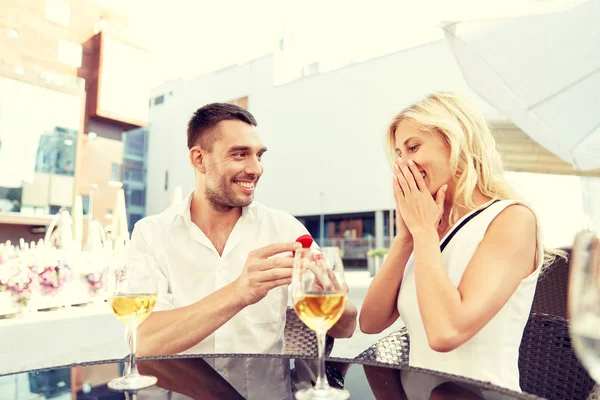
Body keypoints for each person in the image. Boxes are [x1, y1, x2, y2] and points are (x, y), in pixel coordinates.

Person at [130, 103, 357, 398]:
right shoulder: (152, 234)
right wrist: (239, 292)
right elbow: (143, 340)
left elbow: (347, 326)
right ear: (199, 159)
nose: (255, 169)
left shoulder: (285, 229)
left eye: (259, 155)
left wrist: (330, 299)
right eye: (240, 154)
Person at [359, 91, 559, 394]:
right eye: (399, 154)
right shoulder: (427, 229)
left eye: (413, 147)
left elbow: (445, 333)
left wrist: (424, 234)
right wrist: (405, 239)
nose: (403, 164)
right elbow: (370, 322)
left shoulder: (511, 219)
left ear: (456, 143)